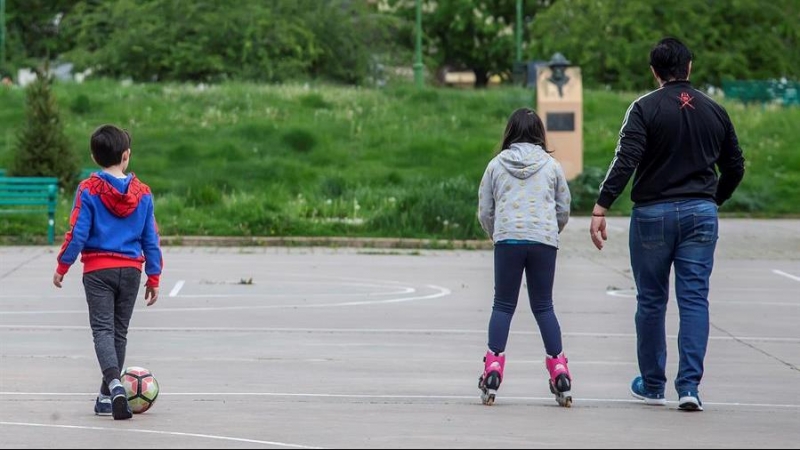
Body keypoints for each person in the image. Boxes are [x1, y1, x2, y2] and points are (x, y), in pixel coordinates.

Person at [590, 38, 745, 412]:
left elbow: (625, 160)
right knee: (694, 300)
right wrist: (713, 199)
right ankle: (689, 386)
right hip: (701, 214)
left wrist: (602, 205)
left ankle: (653, 384)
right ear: (689, 67)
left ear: (654, 71)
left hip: (652, 216)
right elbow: (736, 166)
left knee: (651, 300)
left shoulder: (643, 108)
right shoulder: (715, 110)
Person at [53, 125, 163, 420]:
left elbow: (77, 233)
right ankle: (106, 395)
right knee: (119, 332)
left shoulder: (88, 189)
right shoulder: (143, 194)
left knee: (102, 330)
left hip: (98, 271)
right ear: (126, 155)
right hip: (131, 271)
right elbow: (151, 239)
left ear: (94, 155)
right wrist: (154, 276)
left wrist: (63, 265)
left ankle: (114, 386)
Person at [477, 108, 573, 407]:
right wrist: (550, 231)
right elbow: (564, 206)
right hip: (543, 240)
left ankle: (493, 368)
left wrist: (497, 233)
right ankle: (559, 369)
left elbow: (485, 209)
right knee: (544, 305)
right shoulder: (552, 165)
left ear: (509, 132)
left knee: (503, 305)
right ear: (539, 134)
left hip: (508, 239)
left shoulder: (496, 165)